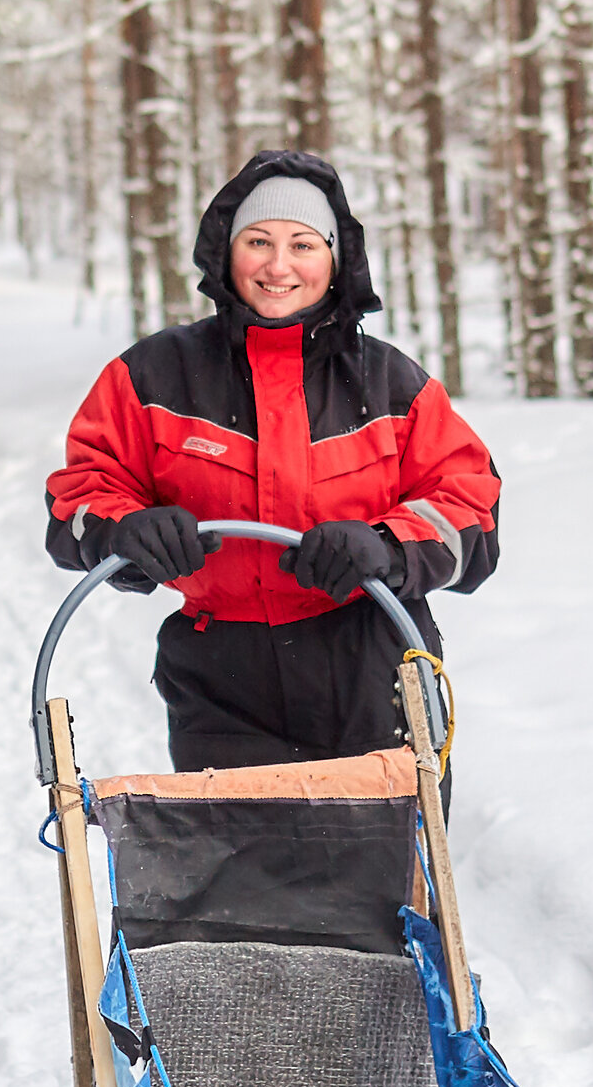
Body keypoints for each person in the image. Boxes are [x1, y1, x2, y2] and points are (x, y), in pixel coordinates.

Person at [46, 151, 499, 769]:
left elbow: (471, 506)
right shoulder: (153, 375)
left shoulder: (390, 384)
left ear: (335, 261)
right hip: (222, 685)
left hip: (371, 665)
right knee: (238, 862)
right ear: (226, 253)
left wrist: (388, 546)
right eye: (258, 241)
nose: (278, 265)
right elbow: (81, 491)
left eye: (303, 244)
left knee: (382, 863)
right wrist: (122, 529)